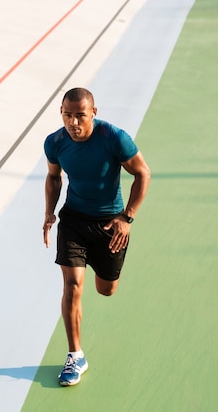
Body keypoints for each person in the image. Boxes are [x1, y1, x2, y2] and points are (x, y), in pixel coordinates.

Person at [43, 87, 150, 387]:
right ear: (61, 113)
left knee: (106, 289)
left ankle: (101, 267)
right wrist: (50, 212)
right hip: (74, 220)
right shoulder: (55, 142)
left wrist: (127, 217)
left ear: (94, 113)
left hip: (110, 224)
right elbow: (54, 177)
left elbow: (142, 173)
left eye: (80, 115)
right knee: (72, 284)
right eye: (67, 115)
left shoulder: (113, 137)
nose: (73, 122)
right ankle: (75, 355)